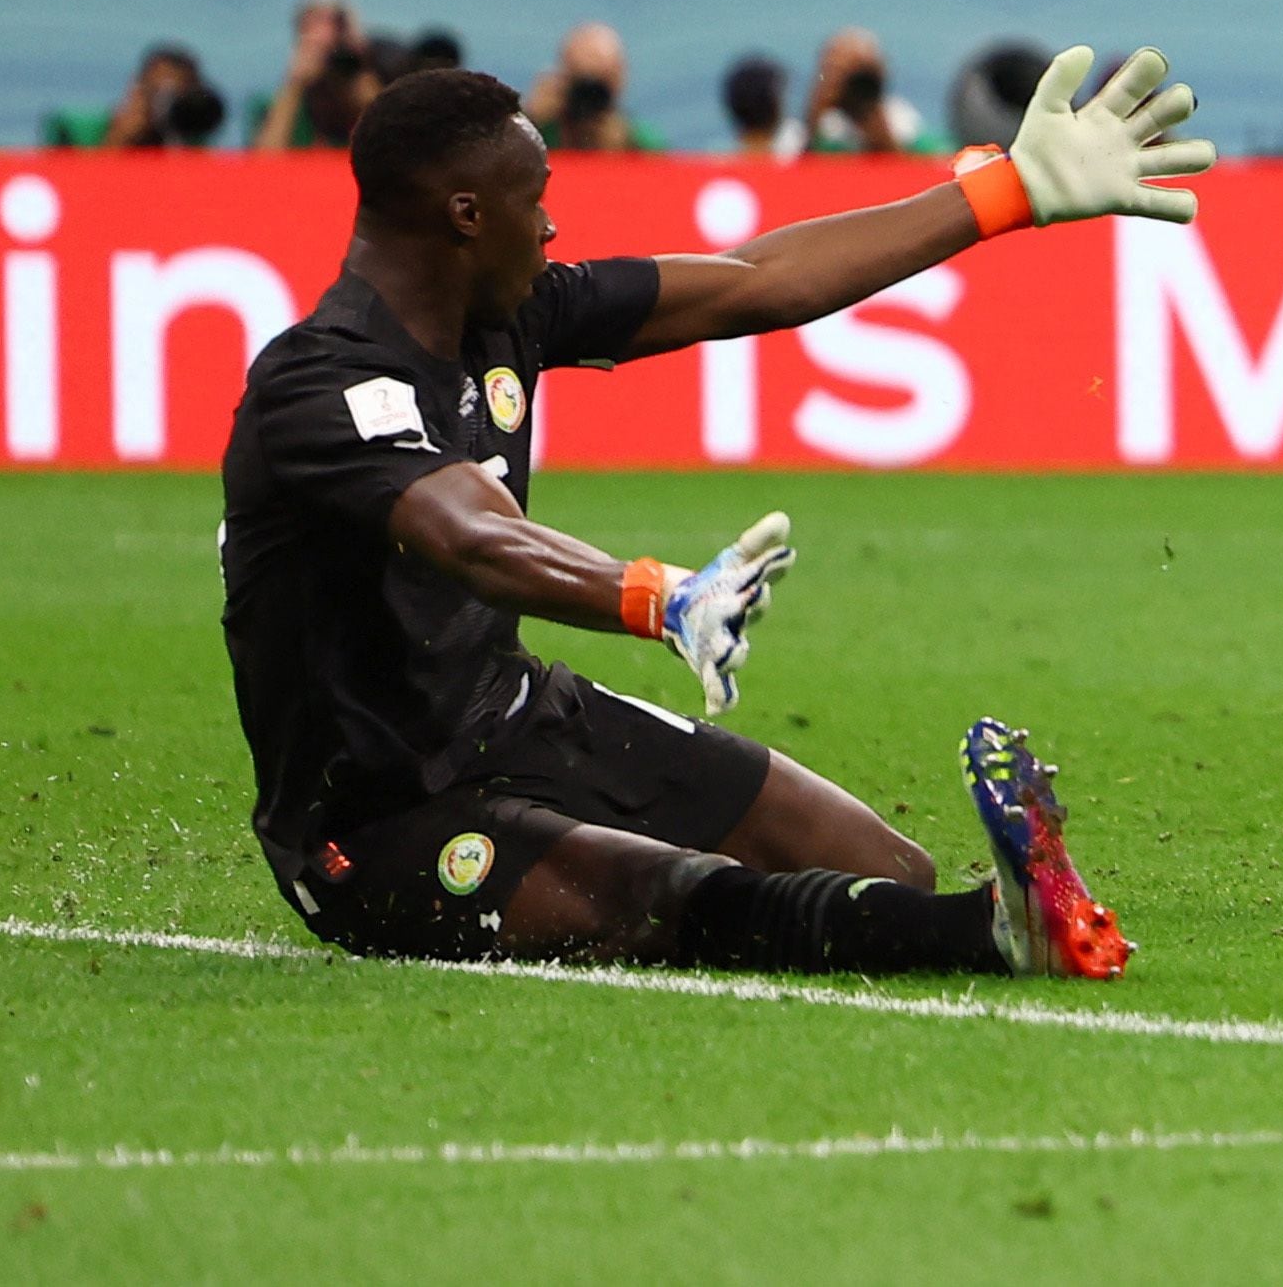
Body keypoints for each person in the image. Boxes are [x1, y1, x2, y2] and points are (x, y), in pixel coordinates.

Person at [215, 51, 1209, 974]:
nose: (553, 226)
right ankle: (998, 930)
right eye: (539, 201)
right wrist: (657, 595)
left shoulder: (511, 315)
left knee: (879, 864)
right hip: (377, 818)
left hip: (515, 719)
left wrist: (1003, 193)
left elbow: (757, 280)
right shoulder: (318, 380)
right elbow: (469, 534)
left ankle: (973, 913)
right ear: (467, 213)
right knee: (664, 897)